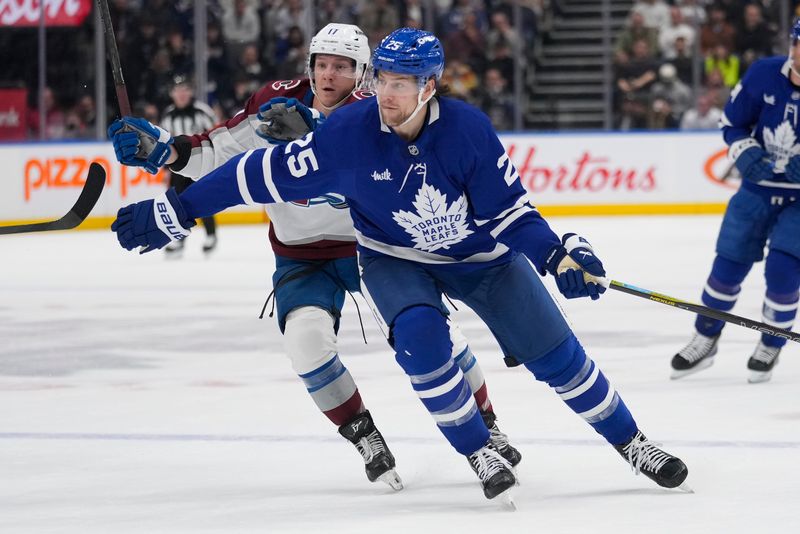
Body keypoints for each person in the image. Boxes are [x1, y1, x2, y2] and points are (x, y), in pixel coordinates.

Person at [110, 27, 689, 503]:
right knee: (419, 337)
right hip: (393, 258)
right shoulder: (344, 135)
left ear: (429, 85)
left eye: (401, 82)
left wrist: (558, 253)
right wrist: (176, 210)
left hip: (478, 259)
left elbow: (512, 215)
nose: (387, 93)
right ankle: (479, 450)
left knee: (558, 357)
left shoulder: (467, 131)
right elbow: (250, 174)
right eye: (383, 79)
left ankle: (633, 443)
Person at [107, 23, 520, 492]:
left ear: (362, 74)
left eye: (342, 67)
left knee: (434, 334)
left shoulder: (379, 113)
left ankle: (486, 423)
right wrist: (163, 149)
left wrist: (318, 135)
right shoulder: (273, 103)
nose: (329, 75)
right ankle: (365, 435)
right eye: (322, 64)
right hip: (300, 255)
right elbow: (218, 154)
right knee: (304, 342)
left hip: (375, 249)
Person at [671, 22, 800, 384]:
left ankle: (772, 342)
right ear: (792, 44)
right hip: (755, 191)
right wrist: (744, 151)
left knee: (782, 269)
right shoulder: (763, 73)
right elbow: (733, 122)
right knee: (727, 267)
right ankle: (706, 336)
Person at [159, 75, 219, 257]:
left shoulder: (203, 111)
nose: (182, 94)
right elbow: (164, 144)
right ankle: (179, 240)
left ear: (191, 91)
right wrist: (165, 170)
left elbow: (218, 134)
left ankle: (210, 235)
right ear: (171, 94)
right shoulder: (168, 115)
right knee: (176, 203)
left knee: (203, 199)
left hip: (202, 163)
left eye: (185, 89)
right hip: (177, 168)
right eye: (178, 90)